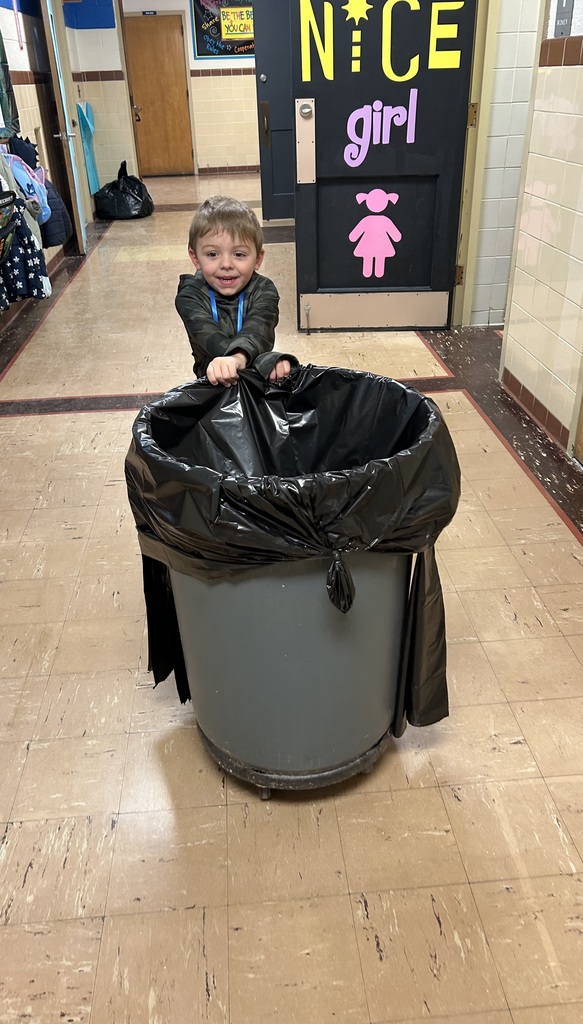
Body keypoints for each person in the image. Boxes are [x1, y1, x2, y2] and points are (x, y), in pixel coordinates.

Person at [175, 195, 291, 386]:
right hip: (211, 392)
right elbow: (211, 341)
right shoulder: (190, 296)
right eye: (213, 254)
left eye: (239, 254)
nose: (226, 264)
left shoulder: (264, 290)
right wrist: (262, 362)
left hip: (258, 386)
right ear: (195, 258)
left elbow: (259, 331)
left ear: (258, 258)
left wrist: (272, 363)